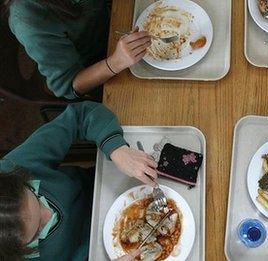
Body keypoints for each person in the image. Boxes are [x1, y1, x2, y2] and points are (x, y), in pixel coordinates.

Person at [0, 101, 158, 260]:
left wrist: (117, 149)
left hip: (100, 186)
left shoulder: (14, 168)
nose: (49, 214)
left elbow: (79, 116)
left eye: (37, 199)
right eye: (38, 229)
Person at [5, 0, 151, 99]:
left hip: (115, 24)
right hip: (98, 69)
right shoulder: (29, 19)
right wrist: (115, 63)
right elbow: (69, 86)